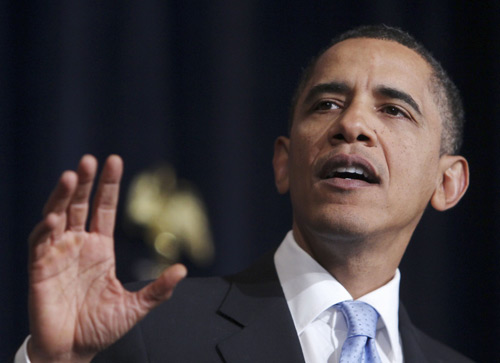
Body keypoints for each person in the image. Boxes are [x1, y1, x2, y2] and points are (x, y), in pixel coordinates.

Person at [15, 25, 474, 362]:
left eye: (393, 110)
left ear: (447, 182)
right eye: (327, 104)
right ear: (283, 163)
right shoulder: (142, 333)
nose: (351, 125)